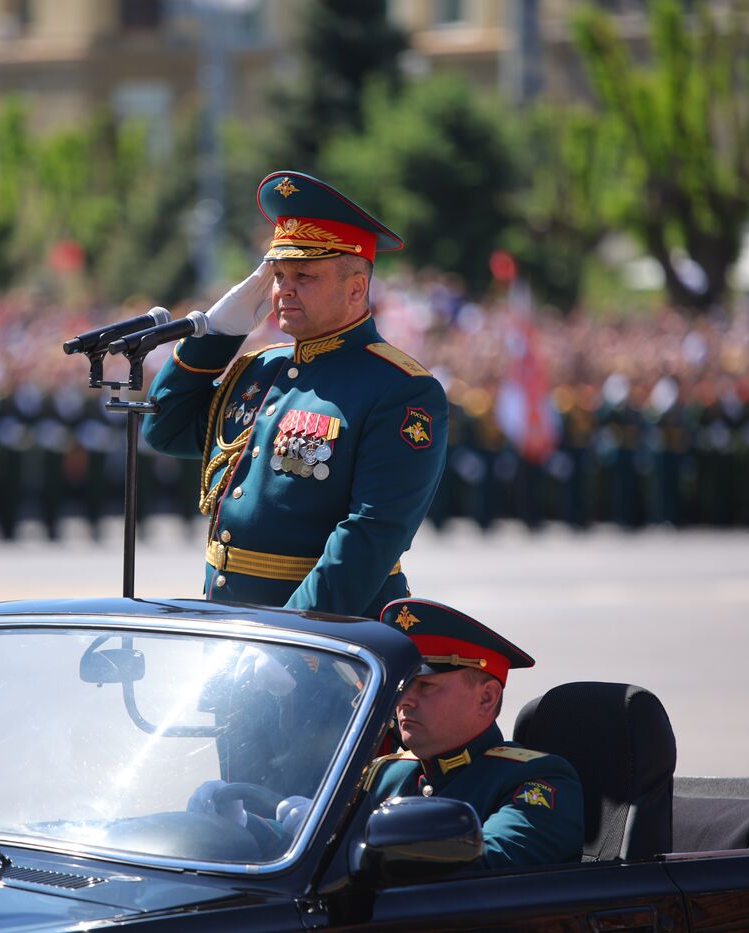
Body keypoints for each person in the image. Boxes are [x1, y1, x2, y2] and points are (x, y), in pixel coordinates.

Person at [143, 171, 449, 619]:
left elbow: (370, 535)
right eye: (279, 273)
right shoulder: (259, 368)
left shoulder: (401, 389)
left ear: (356, 288)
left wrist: (295, 634)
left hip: (326, 631)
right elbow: (164, 429)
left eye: (304, 275)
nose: (284, 287)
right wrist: (218, 331)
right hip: (233, 618)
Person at [366, 597, 583, 869]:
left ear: (486, 698)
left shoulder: (534, 778)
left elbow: (490, 863)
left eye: (425, 685)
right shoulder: (383, 775)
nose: (404, 700)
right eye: (402, 684)